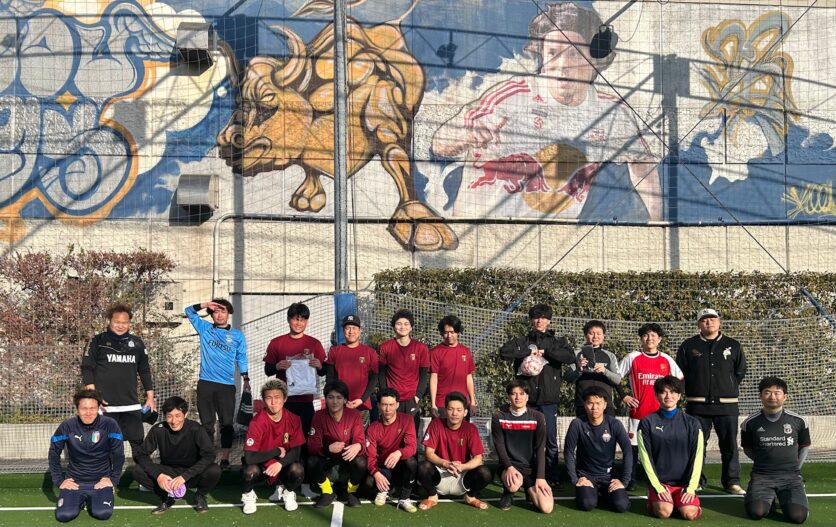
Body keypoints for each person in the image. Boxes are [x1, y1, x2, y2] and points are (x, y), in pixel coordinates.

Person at [431, 2, 661, 223]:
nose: (563, 65)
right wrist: (466, 135)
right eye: (553, 53)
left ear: (593, 59)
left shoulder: (613, 112)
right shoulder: (511, 96)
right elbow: (439, 144)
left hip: (556, 233)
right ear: (542, 56)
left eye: (574, 54)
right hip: (484, 228)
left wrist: (657, 224)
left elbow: (642, 164)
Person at [499, 303, 574, 486]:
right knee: (527, 440)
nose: (539, 321)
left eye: (543, 317)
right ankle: (528, 476)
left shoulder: (556, 342)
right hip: (527, 401)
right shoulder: (523, 341)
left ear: (549, 320)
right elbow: (504, 352)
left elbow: (570, 356)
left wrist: (546, 353)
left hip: (548, 401)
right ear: (531, 320)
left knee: (550, 440)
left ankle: (553, 477)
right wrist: (527, 352)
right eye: (536, 317)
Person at [676, 308, 747, 494]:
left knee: (729, 445)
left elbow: (740, 371)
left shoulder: (733, 345)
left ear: (719, 322)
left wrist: (726, 387)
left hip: (727, 406)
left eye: (712, 319)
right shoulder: (688, 345)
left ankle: (732, 482)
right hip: (697, 405)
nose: (709, 322)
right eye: (704, 320)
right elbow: (680, 371)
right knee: (697, 445)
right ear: (699, 324)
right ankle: (697, 480)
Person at [81, 304, 154, 461]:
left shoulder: (137, 343)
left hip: (131, 405)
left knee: (138, 445)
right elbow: (87, 369)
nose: (121, 326)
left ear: (129, 323)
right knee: (105, 446)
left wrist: (150, 397)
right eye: (117, 322)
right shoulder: (97, 341)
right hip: (105, 406)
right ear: (109, 321)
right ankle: (105, 475)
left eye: (124, 322)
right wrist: (94, 397)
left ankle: (143, 475)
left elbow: (145, 371)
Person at [185, 299, 249, 470]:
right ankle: (208, 458)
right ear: (212, 314)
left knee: (226, 424)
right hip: (206, 384)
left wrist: (246, 379)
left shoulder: (237, 335)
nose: (219, 315)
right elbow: (188, 311)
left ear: (229, 313)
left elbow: (241, 357)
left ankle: (225, 459)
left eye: (223, 311)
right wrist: (206, 304)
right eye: (216, 311)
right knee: (207, 424)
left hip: (226, 386)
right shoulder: (204, 328)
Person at [618, 322, 683, 489]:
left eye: (653, 335)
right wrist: (624, 396)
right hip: (638, 412)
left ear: (659, 339)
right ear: (641, 338)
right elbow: (615, 377)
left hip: (660, 415)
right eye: (646, 335)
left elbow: (679, 380)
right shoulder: (632, 357)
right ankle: (629, 480)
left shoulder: (666, 359)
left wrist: (673, 399)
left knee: (657, 447)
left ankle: (658, 479)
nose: (649, 338)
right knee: (633, 448)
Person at [132, 396, 219, 515]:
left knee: (214, 470)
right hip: (169, 474)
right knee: (137, 470)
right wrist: (158, 476)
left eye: (178, 416)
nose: (173, 421)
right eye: (169, 416)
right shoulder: (158, 430)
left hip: (192, 473)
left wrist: (185, 477)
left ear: (185, 414)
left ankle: (200, 495)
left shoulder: (196, 429)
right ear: (165, 416)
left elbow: (209, 455)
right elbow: (141, 454)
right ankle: (167, 497)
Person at [49, 389, 125, 523]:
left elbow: (118, 454)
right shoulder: (67, 426)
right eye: (84, 408)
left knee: (102, 513)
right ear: (77, 409)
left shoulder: (110, 425)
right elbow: (53, 453)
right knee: (64, 515)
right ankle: (79, 500)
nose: (88, 413)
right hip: (75, 481)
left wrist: (113, 479)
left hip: (100, 481)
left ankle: (99, 496)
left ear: (98, 408)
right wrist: (60, 481)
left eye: (92, 408)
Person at [741, 376, 810, 524]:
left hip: (791, 477)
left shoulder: (798, 421)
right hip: (762, 477)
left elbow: (804, 446)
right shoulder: (750, 423)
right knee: (756, 512)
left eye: (777, 393)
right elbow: (747, 449)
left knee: (798, 517)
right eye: (767, 392)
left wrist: (796, 469)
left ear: (785, 397)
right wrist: (765, 460)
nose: (772, 397)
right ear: (760, 396)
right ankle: (763, 497)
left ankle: (795, 492)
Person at [638, 376, 703, 521]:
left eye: (673, 392)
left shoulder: (692, 423)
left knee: (689, 514)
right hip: (661, 483)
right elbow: (645, 457)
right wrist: (657, 486)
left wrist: (691, 487)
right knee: (664, 512)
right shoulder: (647, 422)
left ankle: (680, 503)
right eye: (663, 392)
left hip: (684, 484)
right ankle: (657, 502)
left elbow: (698, 457)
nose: (668, 396)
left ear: (679, 396)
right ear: (656, 395)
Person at [416, 391, 493, 511]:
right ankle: (432, 495)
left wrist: (462, 467)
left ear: (465, 412)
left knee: (485, 473)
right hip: (440, 473)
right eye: (451, 409)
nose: (454, 413)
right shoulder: (436, 424)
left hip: (462, 476)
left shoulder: (471, 429)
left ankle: (470, 496)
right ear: (445, 410)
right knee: (422, 467)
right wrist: (446, 464)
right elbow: (429, 453)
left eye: (459, 410)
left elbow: (478, 458)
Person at [240, 380, 306, 515]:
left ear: (285, 399)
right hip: (262, 467)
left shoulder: (294, 419)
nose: (273, 402)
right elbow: (249, 457)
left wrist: (280, 464)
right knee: (249, 471)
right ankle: (248, 495)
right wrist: (276, 451)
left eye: (277, 397)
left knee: (298, 469)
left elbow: (296, 451)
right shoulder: (256, 422)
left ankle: (288, 492)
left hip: (283, 466)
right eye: (269, 398)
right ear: (264, 400)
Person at [564, 386, 632, 513]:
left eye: (598, 403)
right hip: (586, 477)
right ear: (585, 405)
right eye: (590, 403)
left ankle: (602, 494)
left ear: (605, 405)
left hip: (608, 477)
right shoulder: (577, 424)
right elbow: (568, 452)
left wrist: (624, 482)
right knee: (587, 504)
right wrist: (575, 480)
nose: (594, 407)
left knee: (622, 505)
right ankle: (591, 494)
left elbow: (628, 451)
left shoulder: (615, 424)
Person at [263, 302, 326, 433]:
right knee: (284, 437)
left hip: (306, 401)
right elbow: (267, 370)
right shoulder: (276, 343)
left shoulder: (314, 343)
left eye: (303, 320)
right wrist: (277, 366)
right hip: (283, 401)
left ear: (307, 321)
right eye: (296, 319)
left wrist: (320, 366)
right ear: (288, 319)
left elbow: (323, 372)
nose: (299, 323)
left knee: (306, 436)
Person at [491, 381, 553, 513]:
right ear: (508, 397)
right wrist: (509, 467)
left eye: (521, 393)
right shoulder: (498, 417)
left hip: (530, 468)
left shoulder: (538, 417)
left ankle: (528, 489)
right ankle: (508, 492)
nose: (518, 397)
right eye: (514, 394)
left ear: (527, 396)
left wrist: (540, 477)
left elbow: (540, 448)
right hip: (510, 466)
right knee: (513, 485)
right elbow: (499, 446)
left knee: (546, 508)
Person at [307, 380, 368, 508]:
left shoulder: (354, 415)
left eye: (339, 398)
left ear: (345, 400)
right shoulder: (318, 416)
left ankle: (351, 492)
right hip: (328, 463)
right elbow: (312, 446)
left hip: (346, 462)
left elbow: (361, 441)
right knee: (311, 461)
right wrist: (328, 449)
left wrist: (358, 446)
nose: (335, 401)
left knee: (361, 461)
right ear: (326, 399)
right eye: (331, 397)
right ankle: (327, 492)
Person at [363, 387, 419, 513]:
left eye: (391, 405)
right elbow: (370, 456)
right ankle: (385, 490)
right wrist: (376, 473)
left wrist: (399, 452)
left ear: (397, 405)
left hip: (401, 467)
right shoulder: (373, 428)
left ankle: (404, 498)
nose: (388, 409)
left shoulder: (407, 420)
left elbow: (412, 447)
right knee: (368, 482)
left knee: (411, 462)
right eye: (384, 405)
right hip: (384, 468)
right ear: (378, 405)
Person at [378, 309, 430, 432]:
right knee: (390, 434)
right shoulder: (385, 347)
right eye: (399, 324)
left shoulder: (421, 348)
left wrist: (417, 396)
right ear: (393, 326)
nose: (402, 327)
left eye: (406, 324)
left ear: (411, 327)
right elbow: (381, 374)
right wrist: (386, 395)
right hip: (392, 400)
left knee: (411, 434)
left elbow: (424, 375)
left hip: (411, 399)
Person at [325, 315, 379, 427]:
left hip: (361, 405)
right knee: (338, 435)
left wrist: (362, 399)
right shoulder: (334, 351)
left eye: (354, 328)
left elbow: (373, 379)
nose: (351, 331)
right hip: (339, 405)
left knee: (360, 435)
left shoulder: (370, 352)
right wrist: (337, 399)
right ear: (343, 331)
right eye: (348, 328)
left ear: (359, 331)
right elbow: (329, 379)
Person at [564, 320, 622, 416]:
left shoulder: (610, 355)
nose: (595, 337)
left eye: (599, 334)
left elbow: (618, 380)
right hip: (583, 404)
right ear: (585, 335)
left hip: (605, 405)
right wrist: (579, 369)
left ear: (603, 336)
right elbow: (567, 377)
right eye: (591, 333)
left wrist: (605, 371)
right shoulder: (577, 354)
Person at [430, 315, 477, 419]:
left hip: (462, 404)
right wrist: (433, 404)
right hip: (442, 404)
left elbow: (468, 377)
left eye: (452, 332)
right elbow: (433, 378)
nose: (449, 335)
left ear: (458, 332)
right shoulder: (435, 352)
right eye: (446, 332)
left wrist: (472, 401)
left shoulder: (466, 351)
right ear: (442, 333)